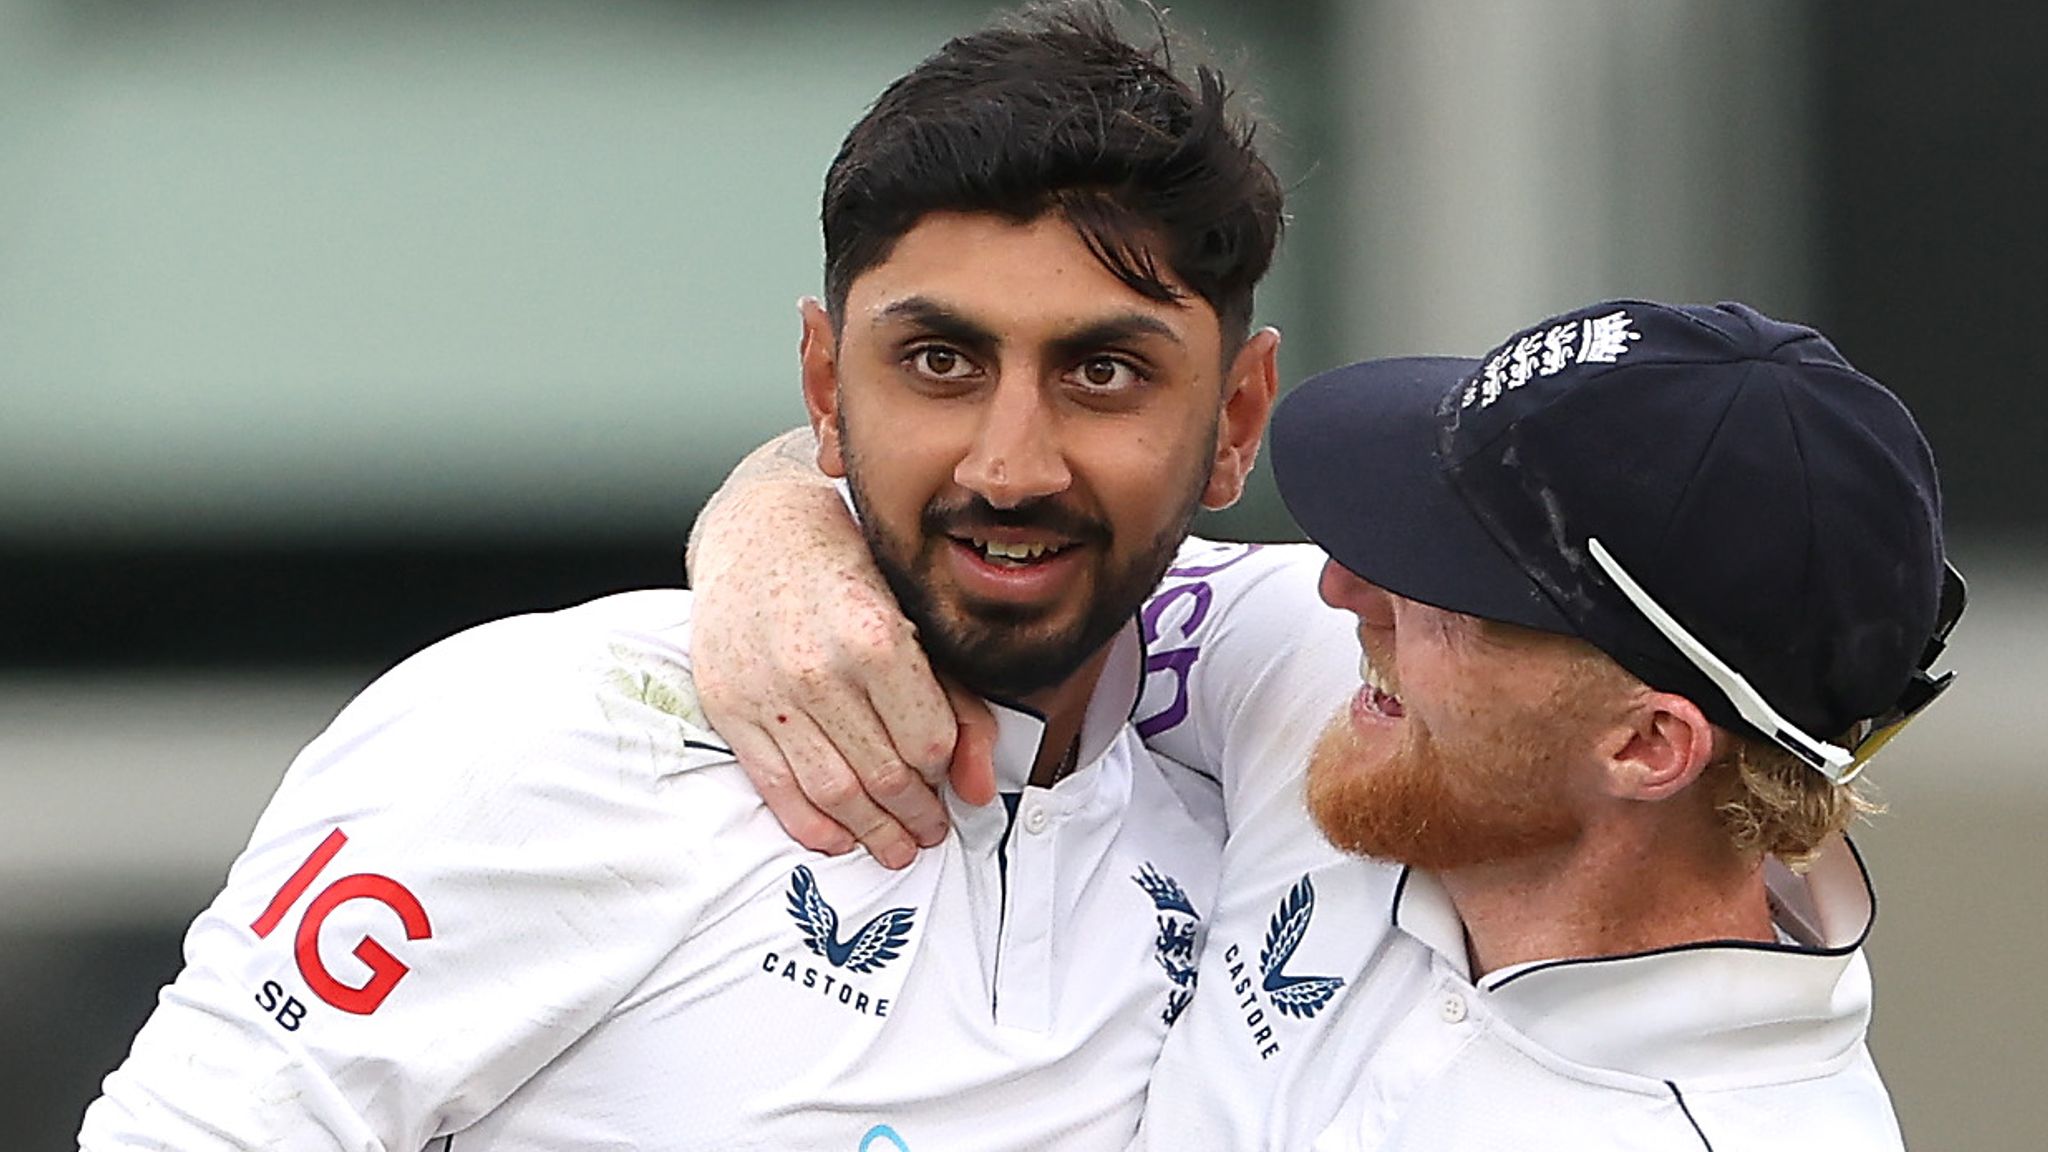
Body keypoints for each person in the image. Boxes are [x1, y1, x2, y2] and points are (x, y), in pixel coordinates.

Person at [77, 3, 1288, 1148]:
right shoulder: (541, 732)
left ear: (1235, 419)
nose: (1009, 465)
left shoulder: (1282, 802)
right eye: (937, 360)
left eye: (1103, 374)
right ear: (823, 388)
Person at [683, 298, 1965, 1148]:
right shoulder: (1362, 694)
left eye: (1444, 590)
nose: (1341, 587)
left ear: (1646, 746)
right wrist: (775, 530)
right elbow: (991, 557)